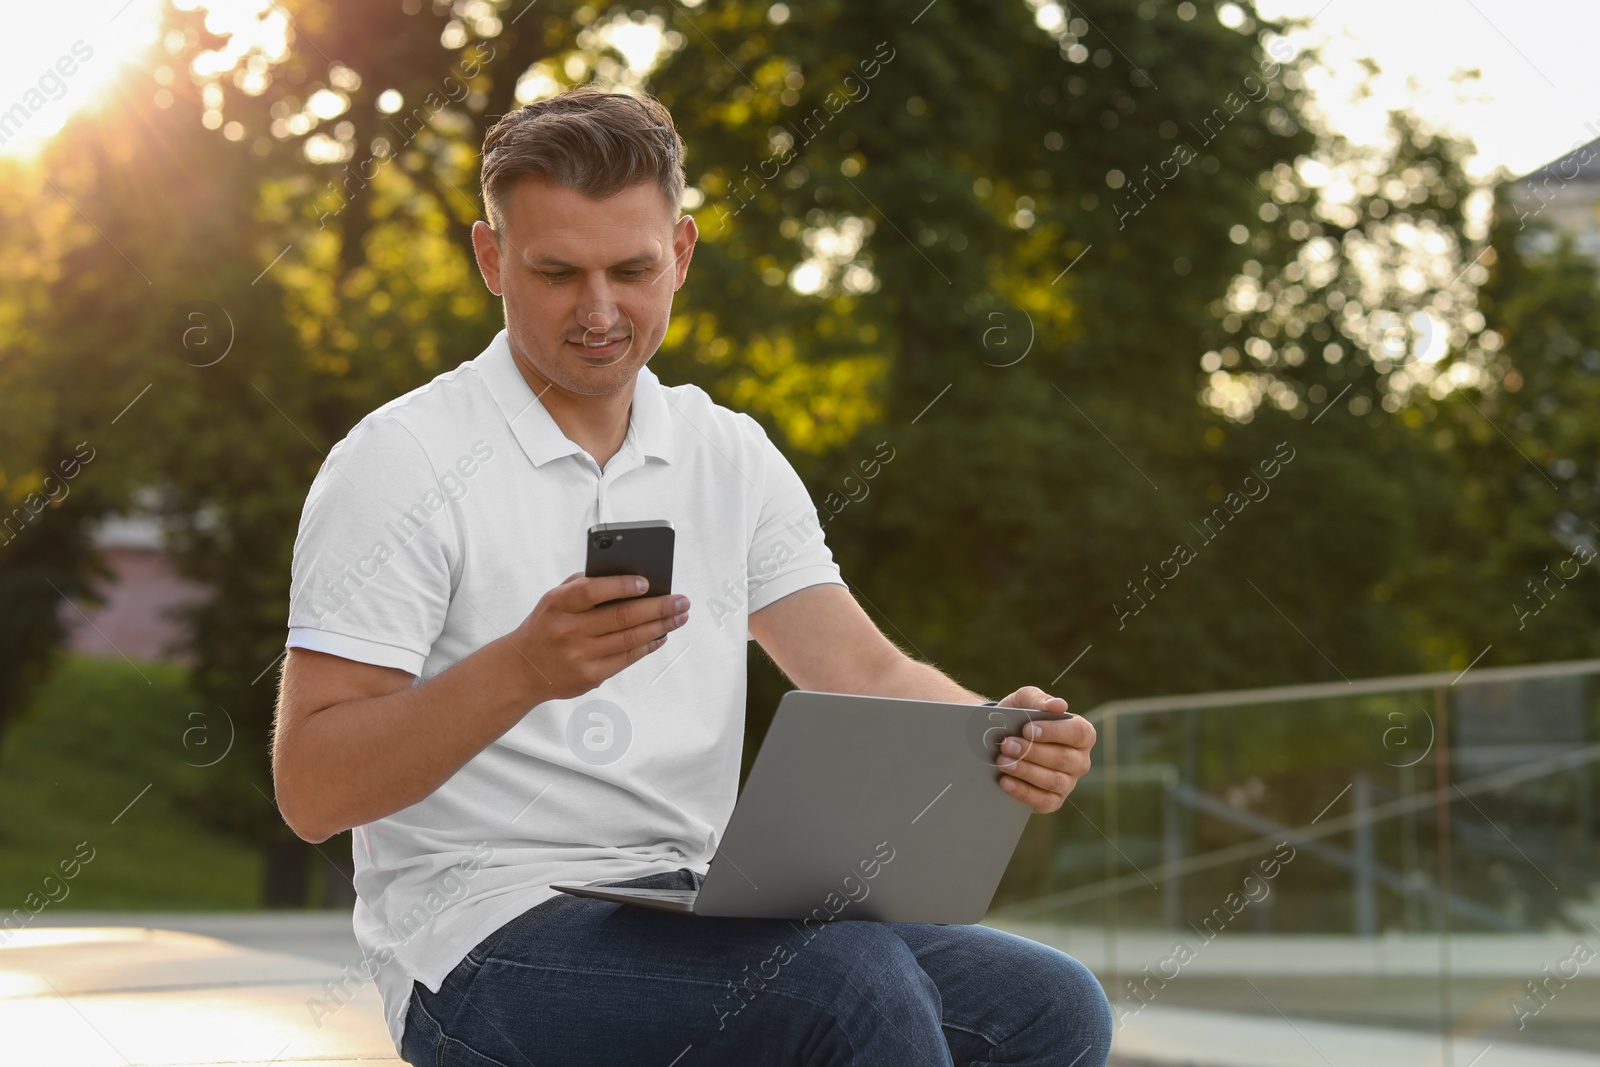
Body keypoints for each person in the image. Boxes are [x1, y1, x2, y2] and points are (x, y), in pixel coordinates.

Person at [273, 86, 1111, 1067]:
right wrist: (522, 670)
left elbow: (866, 671)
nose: (599, 310)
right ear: (491, 257)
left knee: (1050, 1003)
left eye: (630, 269)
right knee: (839, 984)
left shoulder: (726, 453)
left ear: (680, 250)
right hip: (480, 940)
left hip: (688, 900)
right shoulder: (400, 460)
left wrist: (997, 737)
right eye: (556, 272)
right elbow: (312, 786)